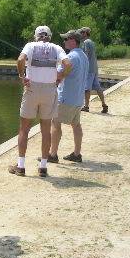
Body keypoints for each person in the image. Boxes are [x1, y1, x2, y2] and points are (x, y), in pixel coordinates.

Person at [8, 25, 70, 178]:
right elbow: (68, 64)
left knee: (24, 129)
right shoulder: (56, 48)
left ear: (37, 36)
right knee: (46, 130)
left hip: (32, 89)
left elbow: (20, 59)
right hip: (49, 89)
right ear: (49, 36)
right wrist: (60, 76)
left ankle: (21, 166)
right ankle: (43, 167)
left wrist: (22, 76)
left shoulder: (30, 45)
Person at [50, 30, 89, 163]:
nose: (64, 41)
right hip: (78, 98)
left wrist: (51, 68)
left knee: (55, 123)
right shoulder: (83, 56)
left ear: (73, 40)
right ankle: (77, 154)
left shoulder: (70, 57)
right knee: (76, 125)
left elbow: (58, 75)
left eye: (66, 39)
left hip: (66, 98)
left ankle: (52, 155)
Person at [80, 27, 108, 114]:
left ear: (85, 33)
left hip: (89, 69)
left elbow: (86, 55)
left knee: (86, 89)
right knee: (98, 87)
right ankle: (104, 104)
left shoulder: (86, 42)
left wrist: (83, 67)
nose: (80, 34)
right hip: (94, 68)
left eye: (82, 32)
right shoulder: (91, 42)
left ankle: (86, 106)